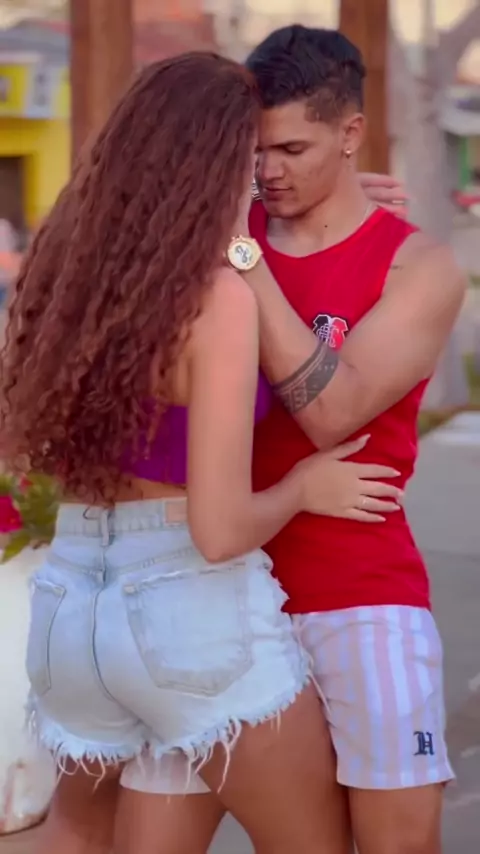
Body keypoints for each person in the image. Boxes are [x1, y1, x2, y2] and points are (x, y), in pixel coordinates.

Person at [0, 53, 404, 854]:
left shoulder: (66, 277)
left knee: (77, 832)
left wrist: (341, 201)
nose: (261, 176)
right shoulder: (214, 300)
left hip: (71, 603)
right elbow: (218, 532)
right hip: (187, 607)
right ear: (218, 164)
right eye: (251, 158)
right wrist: (301, 487)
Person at [111, 27, 466, 854]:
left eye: (293, 149)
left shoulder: (416, 267)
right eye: (256, 152)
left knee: (395, 843)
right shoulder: (209, 239)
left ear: (350, 134)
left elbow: (334, 413)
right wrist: (236, 236)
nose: (269, 171)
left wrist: (244, 256)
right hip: (213, 595)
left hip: (358, 594)